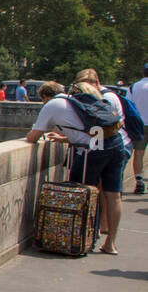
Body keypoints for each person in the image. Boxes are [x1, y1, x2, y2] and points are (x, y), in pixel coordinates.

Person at [27, 73, 129, 255]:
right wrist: (66, 138)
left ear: (46, 97)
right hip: (115, 143)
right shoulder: (80, 102)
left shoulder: (53, 105)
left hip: (92, 151)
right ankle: (110, 243)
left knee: (79, 193)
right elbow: (89, 131)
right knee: (114, 195)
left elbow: (33, 137)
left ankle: (78, 239)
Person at [131, 63, 148, 194]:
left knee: (139, 153)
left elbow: (129, 106)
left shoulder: (133, 87)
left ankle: (139, 181)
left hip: (140, 124)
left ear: (143, 72)